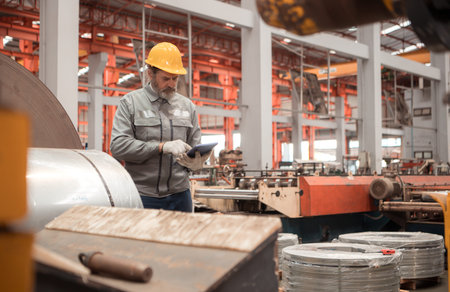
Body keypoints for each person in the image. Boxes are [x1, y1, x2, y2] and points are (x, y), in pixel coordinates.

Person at [110, 42, 210, 212]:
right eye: (166, 78)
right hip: (143, 195)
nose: (171, 84)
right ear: (150, 74)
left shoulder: (187, 107)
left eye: (175, 78)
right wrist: (161, 147)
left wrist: (198, 160)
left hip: (180, 196)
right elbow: (118, 147)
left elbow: (195, 146)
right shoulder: (131, 103)